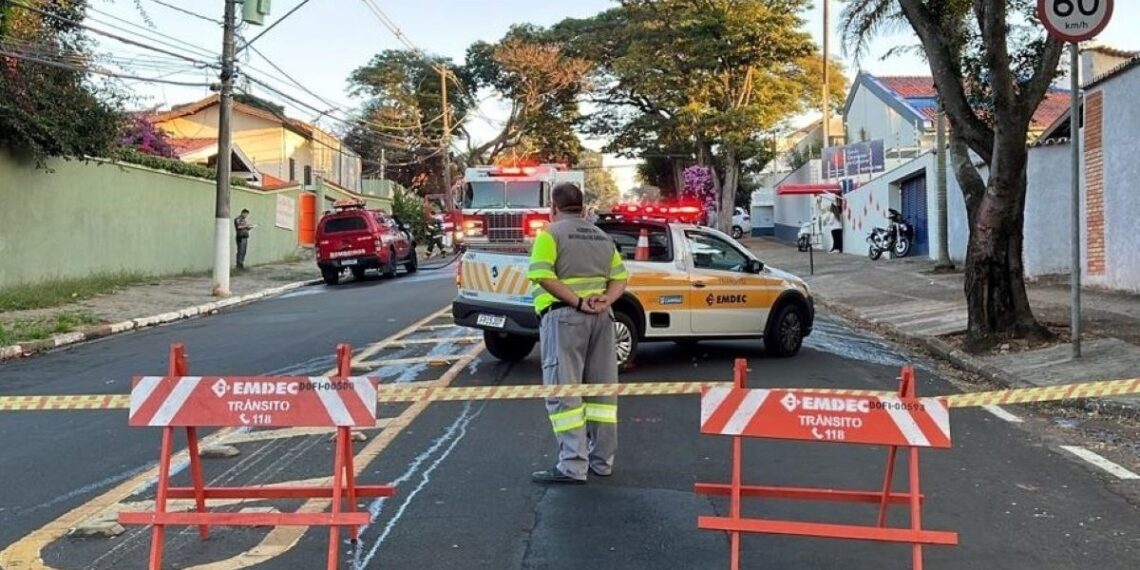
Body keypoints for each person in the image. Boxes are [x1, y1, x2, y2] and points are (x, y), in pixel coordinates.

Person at [526, 182, 628, 484]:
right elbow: (620, 278)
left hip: (564, 319)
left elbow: (542, 275)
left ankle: (572, 465)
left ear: (553, 208)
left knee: (564, 391)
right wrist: (605, 301)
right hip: (602, 319)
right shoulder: (601, 236)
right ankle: (602, 462)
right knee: (602, 392)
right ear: (583, 208)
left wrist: (577, 302)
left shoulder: (550, 235)